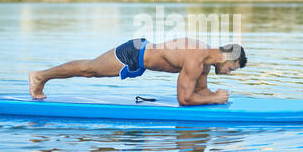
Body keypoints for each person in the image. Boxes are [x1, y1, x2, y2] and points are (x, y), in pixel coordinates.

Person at [29, 38, 247, 106]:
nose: (229, 73)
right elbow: (184, 99)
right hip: (134, 53)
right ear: (225, 57)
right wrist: (216, 98)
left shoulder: (205, 62)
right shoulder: (196, 59)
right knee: (89, 70)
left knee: (90, 69)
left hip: (143, 52)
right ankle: (40, 76)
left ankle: (41, 76)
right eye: (231, 68)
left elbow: (201, 92)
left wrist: (214, 97)